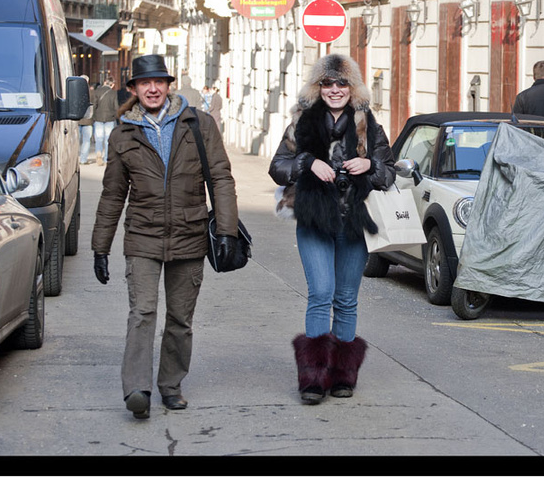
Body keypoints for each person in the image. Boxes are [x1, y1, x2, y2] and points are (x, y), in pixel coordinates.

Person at [91, 54, 239, 420]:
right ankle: (137, 388)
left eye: (159, 81)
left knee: (180, 318)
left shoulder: (198, 124)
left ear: (169, 85)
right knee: (142, 312)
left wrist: (226, 230)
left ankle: (171, 385)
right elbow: (112, 194)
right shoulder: (123, 133)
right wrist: (100, 247)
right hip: (142, 235)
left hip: (189, 235)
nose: (153, 88)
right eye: (145, 83)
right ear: (134, 89)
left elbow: (220, 178)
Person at [269, 54, 395, 405]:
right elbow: (277, 168)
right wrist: (308, 163)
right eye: (328, 83)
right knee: (321, 293)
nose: (335, 89)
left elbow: (389, 171)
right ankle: (312, 377)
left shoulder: (368, 123)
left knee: (346, 299)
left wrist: (370, 164)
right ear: (318, 87)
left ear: (352, 87)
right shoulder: (301, 122)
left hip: (354, 222)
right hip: (314, 221)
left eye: (342, 83)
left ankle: (342, 374)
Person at [92, 76, 119, 166]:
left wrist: (93, 116)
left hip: (98, 118)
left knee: (99, 138)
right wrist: (116, 116)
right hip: (110, 118)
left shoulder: (97, 91)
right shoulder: (113, 93)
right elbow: (116, 107)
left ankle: (98, 153)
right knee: (108, 140)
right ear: (112, 84)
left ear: (105, 82)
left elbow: (94, 105)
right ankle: (107, 158)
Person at [79, 75, 95, 165]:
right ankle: (83, 159)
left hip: (77, 120)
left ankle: (75, 158)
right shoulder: (91, 92)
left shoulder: (75, 92)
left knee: (75, 141)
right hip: (88, 120)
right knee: (86, 141)